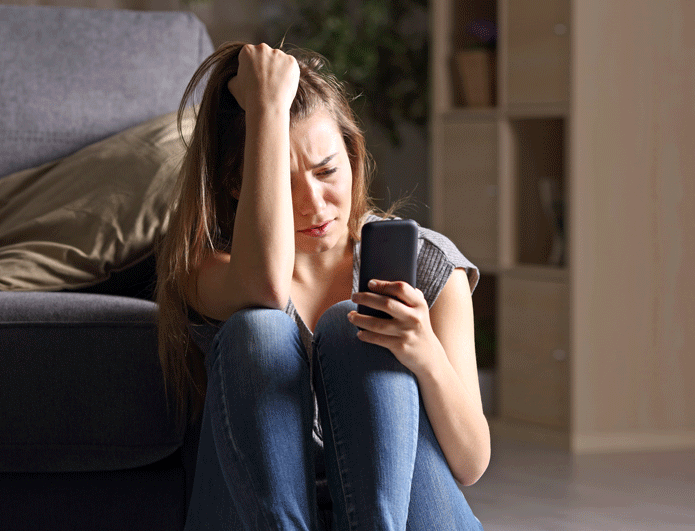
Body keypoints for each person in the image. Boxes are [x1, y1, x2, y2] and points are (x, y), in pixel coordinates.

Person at [156, 41, 490, 531]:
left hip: (397, 517)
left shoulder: (428, 264)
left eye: (327, 170)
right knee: (259, 331)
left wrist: (424, 354)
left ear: (353, 154)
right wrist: (267, 107)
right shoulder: (207, 268)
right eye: (285, 181)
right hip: (259, 517)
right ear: (237, 183)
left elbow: (471, 464)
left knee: (351, 329)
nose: (313, 203)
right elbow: (265, 287)